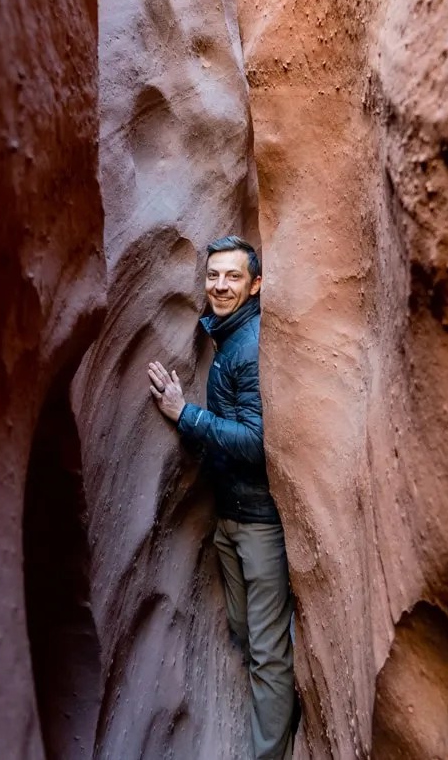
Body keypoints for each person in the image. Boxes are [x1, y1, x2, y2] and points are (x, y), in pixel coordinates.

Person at [147, 235, 296, 759]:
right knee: (247, 632)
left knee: (269, 655)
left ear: (255, 285)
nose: (220, 285)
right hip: (232, 519)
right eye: (213, 276)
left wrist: (185, 415)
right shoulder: (228, 338)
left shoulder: (249, 347)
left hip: (258, 523)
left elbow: (258, 444)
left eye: (233, 277)